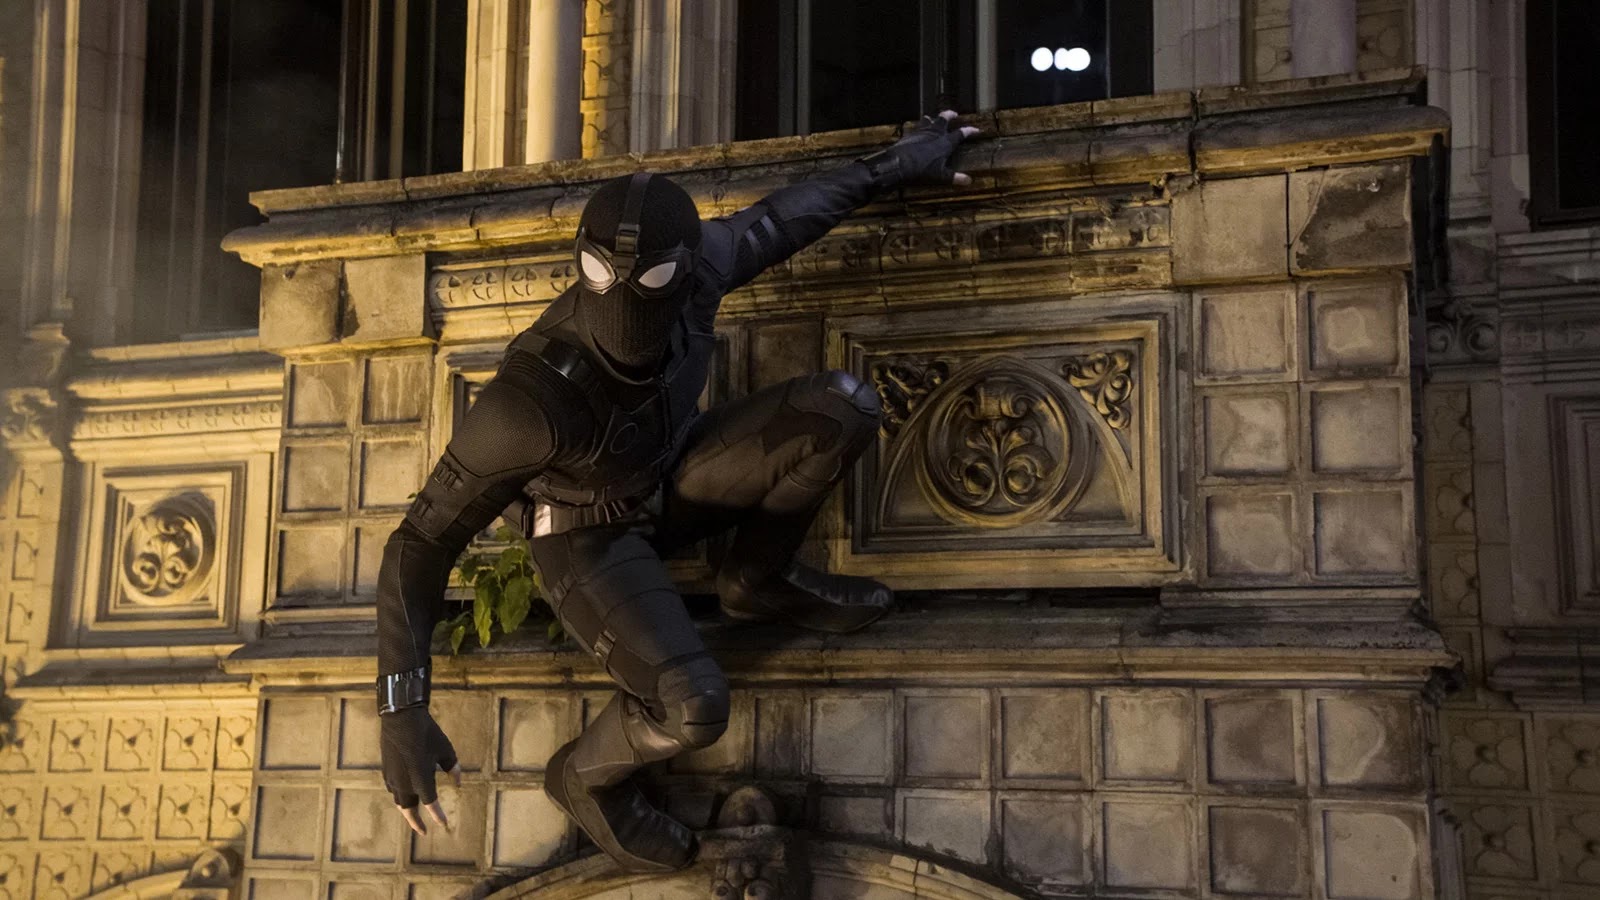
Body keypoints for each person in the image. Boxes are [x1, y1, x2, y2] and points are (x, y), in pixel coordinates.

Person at [375, 110, 980, 872]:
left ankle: (754, 581)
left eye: (652, 277)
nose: (627, 296)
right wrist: (401, 706)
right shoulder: (529, 404)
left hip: (670, 475)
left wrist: (893, 165)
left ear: (682, 271)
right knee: (692, 706)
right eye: (606, 276)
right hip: (584, 536)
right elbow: (420, 542)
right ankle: (584, 779)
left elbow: (781, 220)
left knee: (842, 408)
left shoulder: (699, 275)